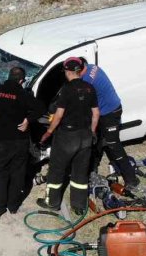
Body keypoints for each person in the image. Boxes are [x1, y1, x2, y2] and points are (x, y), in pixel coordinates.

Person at [0, 67, 44, 217]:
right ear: (22, 81)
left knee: (2, 173)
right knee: (18, 173)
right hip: (20, 141)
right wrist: (28, 120)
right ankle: (13, 206)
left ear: (8, 76)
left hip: (3, 141)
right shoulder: (23, 95)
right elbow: (41, 109)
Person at [38, 57, 99, 216]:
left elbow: (58, 115)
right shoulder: (90, 88)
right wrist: (92, 132)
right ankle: (79, 206)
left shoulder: (66, 89)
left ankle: (52, 202)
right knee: (80, 172)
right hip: (85, 136)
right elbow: (96, 113)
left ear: (68, 71)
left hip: (67, 137)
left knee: (57, 170)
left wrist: (49, 132)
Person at [80, 58, 139, 189]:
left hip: (110, 112)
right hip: (108, 109)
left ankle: (132, 180)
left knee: (113, 145)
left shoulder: (87, 81)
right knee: (97, 141)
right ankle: (92, 170)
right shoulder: (92, 67)